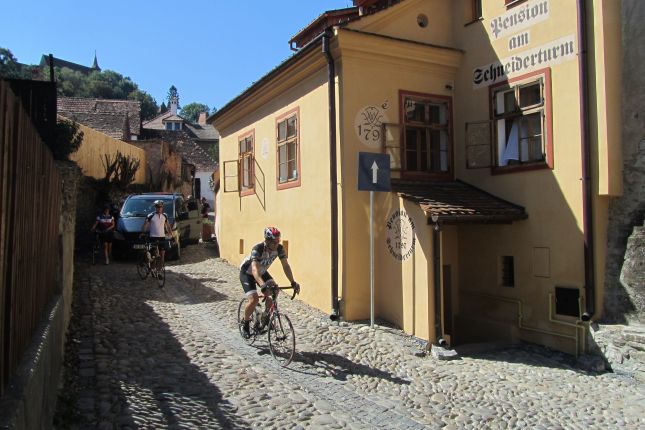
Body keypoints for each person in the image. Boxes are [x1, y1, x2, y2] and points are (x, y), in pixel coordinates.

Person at [239, 227, 300, 338]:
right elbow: (254, 270)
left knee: (275, 291)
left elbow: (285, 266)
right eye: (273, 242)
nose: (276, 244)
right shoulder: (258, 249)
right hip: (248, 273)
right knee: (254, 300)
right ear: (267, 240)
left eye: (278, 241)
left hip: (262, 272)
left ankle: (265, 317)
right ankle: (245, 324)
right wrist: (262, 285)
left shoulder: (279, 249)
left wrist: (293, 282)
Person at [141, 200, 172, 273]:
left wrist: (171, 233)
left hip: (162, 237)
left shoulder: (165, 216)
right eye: (157, 207)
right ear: (155, 207)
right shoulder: (151, 215)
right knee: (154, 255)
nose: (159, 208)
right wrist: (143, 232)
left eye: (160, 207)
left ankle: (159, 271)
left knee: (162, 254)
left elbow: (167, 225)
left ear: (162, 207)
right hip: (153, 237)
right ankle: (152, 268)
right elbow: (145, 225)